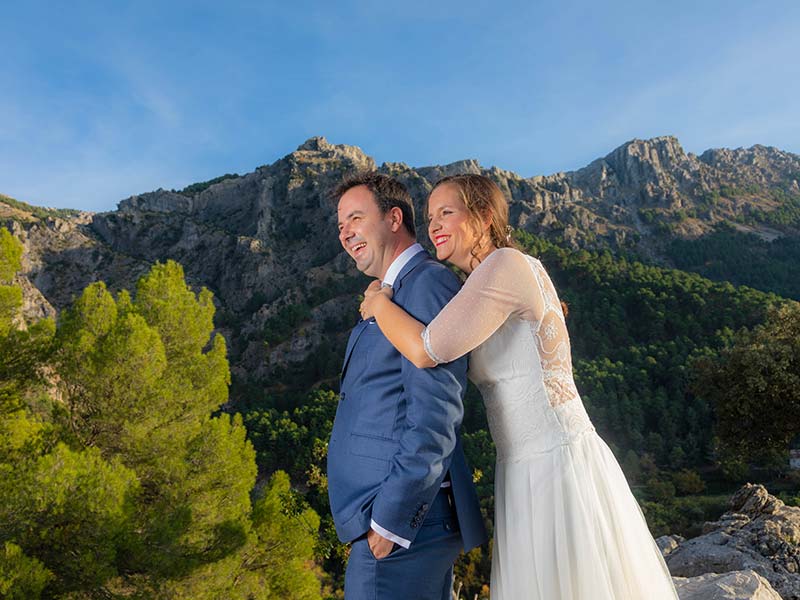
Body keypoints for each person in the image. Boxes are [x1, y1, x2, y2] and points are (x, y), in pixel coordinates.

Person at [359, 174, 680, 599]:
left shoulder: (505, 266)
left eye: (447, 213)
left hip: (552, 461)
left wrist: (379, 303)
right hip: (519, 465)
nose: (434, 225)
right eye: (431, 215)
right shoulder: (479, 281)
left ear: (484, 216)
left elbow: (425, 350)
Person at [327, 172, 487, 600]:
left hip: (403, 524)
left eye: (355, 218)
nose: (345, 233)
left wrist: (391, 521)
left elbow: (437, 412)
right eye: (341, 225)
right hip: (392, 522)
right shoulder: (392, 291)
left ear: (394, 218)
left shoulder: (427, 282)